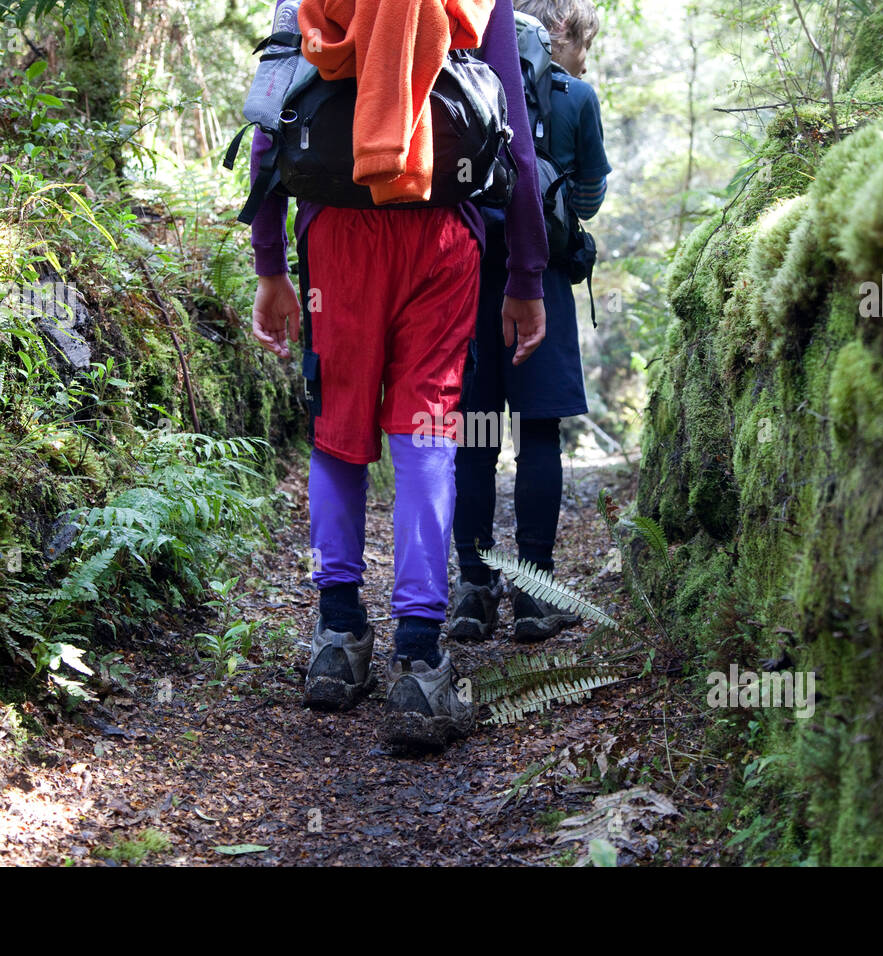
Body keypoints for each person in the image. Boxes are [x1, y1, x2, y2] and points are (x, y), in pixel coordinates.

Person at [247, 0, 549, 751]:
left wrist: (269, 264)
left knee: (336, 426)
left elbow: (272, 113)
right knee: (428, 429)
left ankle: (338, 633)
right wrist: (527, 275)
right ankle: (419, 658)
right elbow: (511, 129)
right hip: (442, 231)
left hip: (334, 226)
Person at [449, 0, 611, 642]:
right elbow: (592, 197)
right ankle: (534, 593)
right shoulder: (576, 97)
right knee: (538, 434)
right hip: (537, 274)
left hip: (464, 273)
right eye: (581, 47)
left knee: (474, 437)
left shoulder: (467, 71)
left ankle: (471, 588)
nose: (578, 61)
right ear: (563, 31)